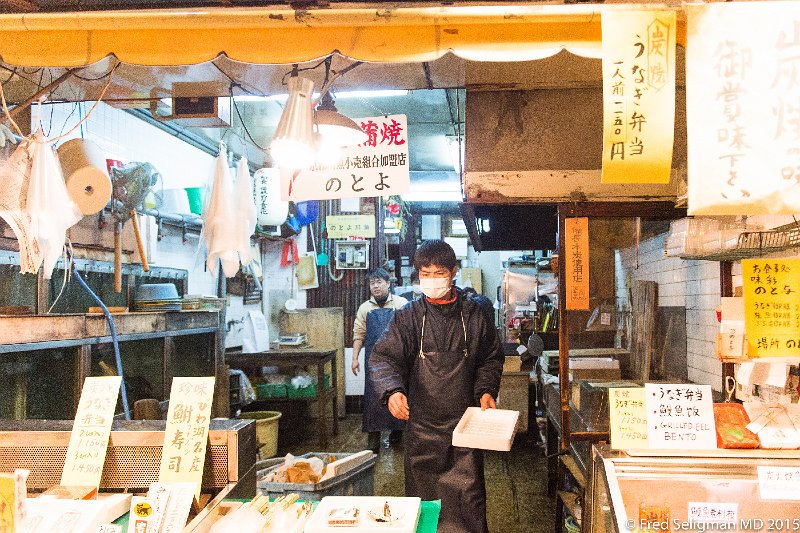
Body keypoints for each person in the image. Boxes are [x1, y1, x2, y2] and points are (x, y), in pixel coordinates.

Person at [369, 240, 504, 533]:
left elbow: (490, 358)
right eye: (425, 273)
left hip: (465, 428)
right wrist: (392, 390)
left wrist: (485, 390)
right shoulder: (408, 317)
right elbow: (383, 357)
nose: (432, 280)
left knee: (468, 503)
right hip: (421, 430)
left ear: (453, 272)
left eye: (439, 273)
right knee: (424, 509)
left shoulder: (474, 315)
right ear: (418, 274)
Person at [351, 268, 408, 453]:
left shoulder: (402, 304)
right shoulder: (364, 308)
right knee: (373, 401)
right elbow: (358, 335)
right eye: (372, 283)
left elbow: (411, 334)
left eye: (379, 282)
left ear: (388, 283)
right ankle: (373, 443)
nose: (375, 286)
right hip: (373, 363)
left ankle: (397, 435)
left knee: (399, 395)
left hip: (398, 361)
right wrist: (355, 359)